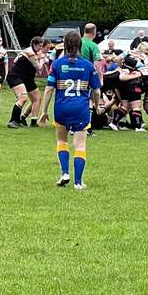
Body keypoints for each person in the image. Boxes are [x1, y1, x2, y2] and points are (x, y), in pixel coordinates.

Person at [39, 31, 102, 190]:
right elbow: (96, 91)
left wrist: (44, 111)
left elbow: (48, 89)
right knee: (79, 145)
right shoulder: (88, 65)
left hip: (61, 108)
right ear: (80, 45)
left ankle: (65, 173)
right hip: (80, 109)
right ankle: (78, 182)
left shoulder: (57, 64)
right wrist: (96, 104)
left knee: (62, 141)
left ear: (64, 45)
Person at [6, 37, 48, 128]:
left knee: (37, 97)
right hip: (16, 76)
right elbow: (38, 67)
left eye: (42, 46)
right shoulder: (30, 53)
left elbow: (16, 60)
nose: (41, 48)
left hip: (27, 78)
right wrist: (42, 59)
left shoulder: (33, 52)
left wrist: (41, 57)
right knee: (23, 97)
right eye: (39, 46)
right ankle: (13, 121)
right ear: (34, 44)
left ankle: (30, 121)